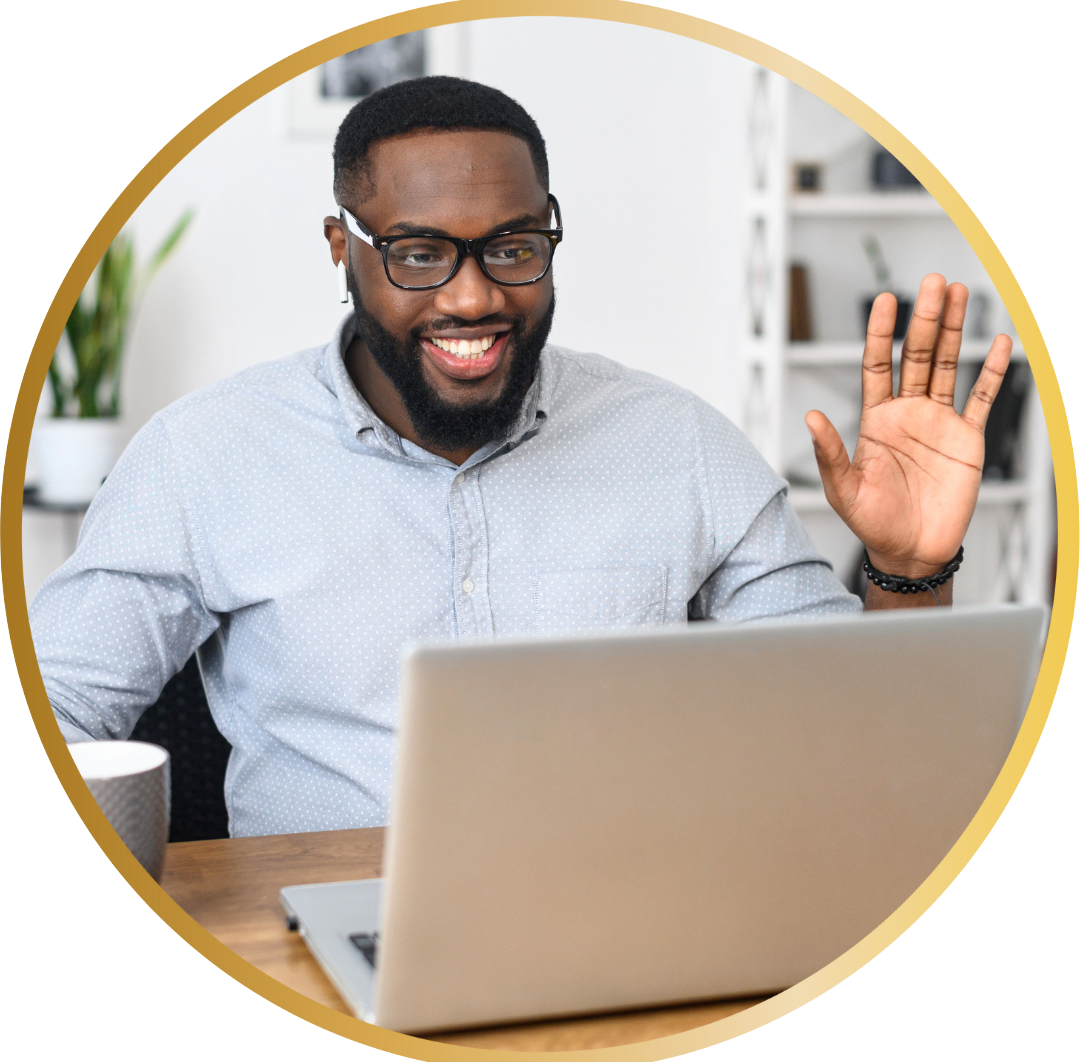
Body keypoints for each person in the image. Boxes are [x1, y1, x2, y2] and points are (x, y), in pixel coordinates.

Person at [31, 77, 1012, 837]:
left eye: (512, 247)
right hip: (314, 927)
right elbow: (60, 710)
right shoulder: (203, 456)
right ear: (342, 247)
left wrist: (909, 568)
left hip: (636, 913)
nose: (473, 298)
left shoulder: (678, 444)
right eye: (419, 252)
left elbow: (857, 734)